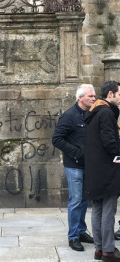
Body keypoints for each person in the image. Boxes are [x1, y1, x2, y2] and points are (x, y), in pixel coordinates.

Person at [52, 84, 96, 251]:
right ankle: (73, 237)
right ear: (80, 98)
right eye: (90, 96)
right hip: (74, 166)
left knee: (84, 200)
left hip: (88, 165)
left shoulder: (90, 114)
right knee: (76, 200)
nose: (93, 98)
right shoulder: (69, 116)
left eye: (94, 96)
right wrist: (76, 153)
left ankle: (81, 231)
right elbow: (56, 139)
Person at [84, 80, 120, 261]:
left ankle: (99, 248)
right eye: (119, 94)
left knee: (98, 208)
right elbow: (110, 143)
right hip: (107, 169)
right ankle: (108, 249)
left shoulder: (94, 112)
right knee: (108, 209)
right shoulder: (105, 112)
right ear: (110, 94)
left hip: (96, 169)